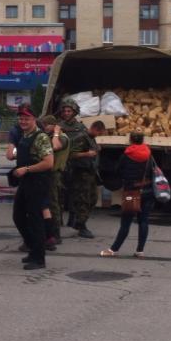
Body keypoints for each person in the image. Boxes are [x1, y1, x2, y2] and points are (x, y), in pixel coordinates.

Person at [12, 104, 54, 270]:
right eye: (21, 118)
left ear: (34, 119)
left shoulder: (41, 137)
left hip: (37, 182)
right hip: (26, 182)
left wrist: (27, 169)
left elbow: (49, 163)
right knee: (19, 216)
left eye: (26, 118)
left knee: (35, 219)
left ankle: (39, 258)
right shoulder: (25, 134)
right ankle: (33, 249)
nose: (23, 121)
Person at [100, 131, 152, 258]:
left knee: (126, 221)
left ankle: (114, 249)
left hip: (131, 192)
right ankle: (140, 251)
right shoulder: (148, 154)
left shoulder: (127, 154)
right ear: (143, 140)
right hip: (147, 190)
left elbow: (117, 170)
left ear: (130, 140)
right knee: (143, 221)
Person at [57, 98, 95, 238]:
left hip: (78, 167)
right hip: (62, 167)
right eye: (64, 111)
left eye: (69, 111)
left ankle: (81, 224)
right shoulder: (58, 127)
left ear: (74, 112)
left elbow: (92, 146)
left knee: (84, 197)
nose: (66, 113)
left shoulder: (81, 128)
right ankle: (55, 228)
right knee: (58, 198)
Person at [42, 114, 70, 247]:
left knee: (54, 205)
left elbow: (56, 147)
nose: (45, 127)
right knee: (50, 203)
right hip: (49, 174)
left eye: (47, 124)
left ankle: (56, 234)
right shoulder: (50, 136)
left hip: (55, 175)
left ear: (54, 125)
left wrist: (57, 133)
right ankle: (50, 232)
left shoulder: (62, 138)